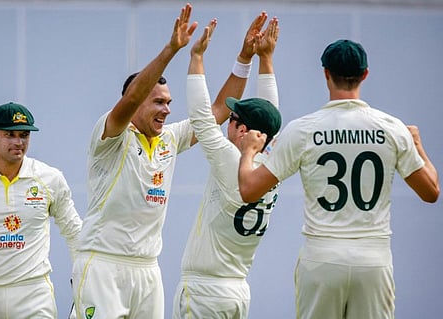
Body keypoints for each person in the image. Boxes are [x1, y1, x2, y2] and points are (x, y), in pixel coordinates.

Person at [71, 4, 270, 319]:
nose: (166, 110)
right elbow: (132, 99)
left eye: (169, 103)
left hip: (148, 269)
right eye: (158, 102)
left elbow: (217, 109)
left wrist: (244, 58)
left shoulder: (169, 138)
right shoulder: (110, 136)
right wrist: (172, 49)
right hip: (103, 264)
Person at [237, 39, 440, 319]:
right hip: (373, 259)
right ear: (365, 74)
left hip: (322, 258)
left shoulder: (303, 130)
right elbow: (431, 191)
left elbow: (249, 190)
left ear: (326, 74)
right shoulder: (392, 128)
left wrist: (248, 152)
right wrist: (417, 144)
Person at [172, 14, 282, 319]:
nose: (226, 123)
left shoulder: (230, 161)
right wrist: (265, 59)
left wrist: (196, 59)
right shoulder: (272, 164)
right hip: (237, 291)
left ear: (244, 131)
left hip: (205, 292)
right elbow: (270, 114)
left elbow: (202, 119)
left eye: (232, 119)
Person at [0, 102, 82, 319]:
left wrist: (85, 284)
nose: (19, 142)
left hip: (34, 295)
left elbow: (75, 232)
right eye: (10, 135)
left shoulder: (49, 178)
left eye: (24, 135)